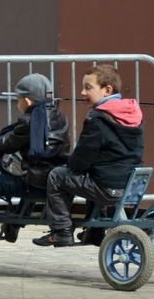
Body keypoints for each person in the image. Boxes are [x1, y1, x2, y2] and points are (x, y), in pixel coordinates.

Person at [32, 64, 144, 247]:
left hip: (107, 187)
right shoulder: (133, 116)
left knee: (57, 176)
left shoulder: (97, 118)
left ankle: (61, 230)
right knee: (92, 174)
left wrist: (68, 163)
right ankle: (95, 232)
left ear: (107, 90)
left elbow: (81, 159)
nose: (82, 92)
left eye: (88, 87)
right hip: (130, 184)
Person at [0, 73, 70, 243]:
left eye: (18, 100)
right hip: (54, 178)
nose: (17, 104)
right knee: (22, 173)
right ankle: (14, 225)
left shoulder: (30, 122)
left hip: (38, 183)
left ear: (28, 101)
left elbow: (8, 142)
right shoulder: (59, 116)